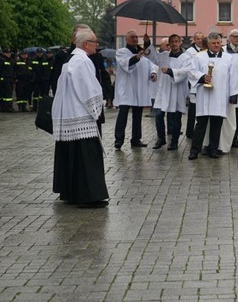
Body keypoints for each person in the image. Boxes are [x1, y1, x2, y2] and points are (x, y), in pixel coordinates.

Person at [51, 28, 108, 208]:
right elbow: (89, 89)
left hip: (69, 114)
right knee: (87, 158)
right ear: (85, 44)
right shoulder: (82, 61)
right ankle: (89, 197)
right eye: (94, 42)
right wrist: (97, 108)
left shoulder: (71, 61)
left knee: (74, 157)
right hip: (81, 115)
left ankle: (73, 194)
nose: (96, 46)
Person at [188, 32, 238, 160]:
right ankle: (195, 150)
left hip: (220, 96)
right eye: (213, 43)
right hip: (204, 95)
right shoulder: (198, 57)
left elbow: (234, 77)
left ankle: (213, 148)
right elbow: (192, 71)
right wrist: (201, 77)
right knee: (201, 124)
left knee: (217, 124)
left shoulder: (228, 58)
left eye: (218, 43)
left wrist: (234, 94)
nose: (216, 45)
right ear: (208, 44)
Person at [113, 30, 158, 150]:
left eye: (136, 37)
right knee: (123, 115)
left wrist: (153, 73)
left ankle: (136, 139)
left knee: (137, 115)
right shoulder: (122, 52)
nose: (134, 39)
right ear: (126, 39)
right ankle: (118, 140)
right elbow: (125, 64)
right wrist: (136, 58)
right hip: (126, 89)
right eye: (132, 37)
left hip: (139, 89)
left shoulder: (142, 53)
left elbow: (151, 64)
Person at [153, 34, 191, 150]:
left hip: (176, 90)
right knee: (159, 115)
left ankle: (174, 141)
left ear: (179, 43)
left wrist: (170, 71)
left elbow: (186, 71)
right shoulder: (164, 56)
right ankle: (161, 138)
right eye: (172, 42)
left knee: (175, 116)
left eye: (176, 41)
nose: (174, 44)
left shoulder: (185, 58)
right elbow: (152, 57)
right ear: (168, 44)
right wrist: (146, 43)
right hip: (163, 89)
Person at [184, 31, 205, 139]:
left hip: (203, 82)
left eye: (202, 38)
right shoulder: (189, 52)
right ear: (194, 40)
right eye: (198, 38)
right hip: (193, 82)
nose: (200, 40)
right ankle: (189, 131)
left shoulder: (206, 50)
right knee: (192, 109)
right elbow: (188, 67)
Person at [0, 48, 15, 113]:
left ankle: (7, 107)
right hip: (4, 80)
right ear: (4, 53)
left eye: (9, 53)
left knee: (8, 94)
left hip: (9, 79)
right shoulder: (1, 60)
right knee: (6, 95)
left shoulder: (10, 60)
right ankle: (6, 107)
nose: (9, 54)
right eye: (8, 53)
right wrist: (0, 78)